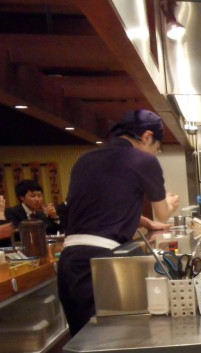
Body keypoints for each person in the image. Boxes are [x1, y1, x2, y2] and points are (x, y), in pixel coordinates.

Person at [57, 109, 180, 336]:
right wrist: (170, 204)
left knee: (82, 340)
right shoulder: (143, 160)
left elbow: (101, 208)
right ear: (147, 136)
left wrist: (144, 221)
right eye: (157, 147)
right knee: (113, 340)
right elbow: (163, 214)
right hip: (103, 263)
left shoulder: (85, 159)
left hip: (70, 262)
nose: (156, 152)